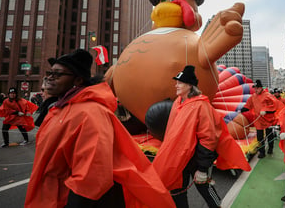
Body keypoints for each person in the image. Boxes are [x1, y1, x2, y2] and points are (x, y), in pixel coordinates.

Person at [25, 49, 174, 208]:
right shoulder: (58, 109)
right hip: (49, 195)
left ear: (78, 80)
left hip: (73, 199)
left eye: (58, 74)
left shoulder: (91, 113)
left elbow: (92, 173)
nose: (49, 78)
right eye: (49, 73)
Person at [153, 65, 250, 208]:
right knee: (176, 189)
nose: (176, 85)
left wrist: (203, 168)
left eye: (180, 83)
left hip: (196, 158)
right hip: (179, 157)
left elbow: (209, 138)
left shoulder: (201, 105)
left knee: (203, 187)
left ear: (190, 86)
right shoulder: (177, 103)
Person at [241, 79, 278, 158]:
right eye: (255, 88)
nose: (256, 89)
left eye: (257, 88)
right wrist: (242, 110)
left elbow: (274, 105)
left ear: (261, 88)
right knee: (259, 136)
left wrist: (266, 111)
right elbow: (248, 105)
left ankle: (270, 148)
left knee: (269, 135)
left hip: (268, 119)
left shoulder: (267, 95)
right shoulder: (253, 97)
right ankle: (262, 151)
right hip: (258, 119)